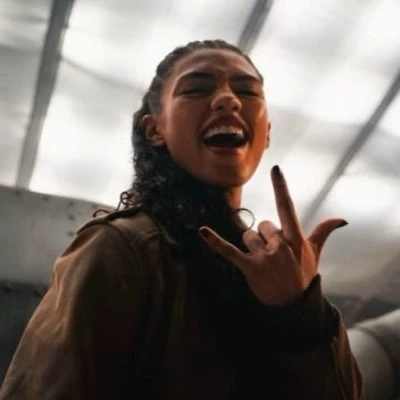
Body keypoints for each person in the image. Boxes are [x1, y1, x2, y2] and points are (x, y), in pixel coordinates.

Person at [0, 39, 364, 399]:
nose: (229, 100)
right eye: (196, 89)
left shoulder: (274, 269)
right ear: (155, 129)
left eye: (248, 92)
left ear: (266, 132)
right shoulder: (122, 247)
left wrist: (300, 310)